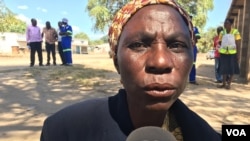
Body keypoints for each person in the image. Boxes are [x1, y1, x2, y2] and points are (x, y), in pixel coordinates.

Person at [40, 1, 221, 141]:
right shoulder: (64, 131)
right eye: (138, 45)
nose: (160, 61)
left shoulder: (208, 136)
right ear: (116, 61)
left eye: (176, 45)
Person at [217, 19, 241, 89]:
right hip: (223, 53)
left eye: (227, 23)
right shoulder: (222, 32)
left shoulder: (235, 32)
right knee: (224, 68)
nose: (225, 25)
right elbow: (220, 42)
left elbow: (238, 43)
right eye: (224, 23)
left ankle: (229, 84)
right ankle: (224, 83)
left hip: (232, 53)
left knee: (232, 68)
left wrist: (238, 54)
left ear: (230, 24)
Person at [189, 16, 201, 85]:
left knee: (192, 63)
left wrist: (193, 34)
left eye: (190, 18)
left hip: (192, 47)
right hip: (183, 47)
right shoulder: (182, 26)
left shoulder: (194, 28)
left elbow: (198, 36)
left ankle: (192, 79)